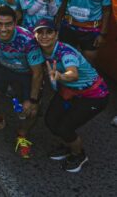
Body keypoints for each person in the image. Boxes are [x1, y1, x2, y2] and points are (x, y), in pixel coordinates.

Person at [34, 19, 109, 173]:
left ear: (56, 35)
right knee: (50, 121)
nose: (44, 36)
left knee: (65, 127)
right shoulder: (37, 48)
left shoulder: (65, 52)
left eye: (49, 32)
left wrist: (60, 76)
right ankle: (68, 145)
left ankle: (79, 155)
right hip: (69, 91)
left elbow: (72, 74)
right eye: (40, 32)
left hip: (94, 95)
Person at [0, 5, 45, 159]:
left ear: (15, 23)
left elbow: (38, 73)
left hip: (26, 73)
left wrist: (33, 100)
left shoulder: (27, 39)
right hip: (4, 67)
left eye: (8, 24)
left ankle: (22, 135)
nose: (3, 29)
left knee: (32, 110)